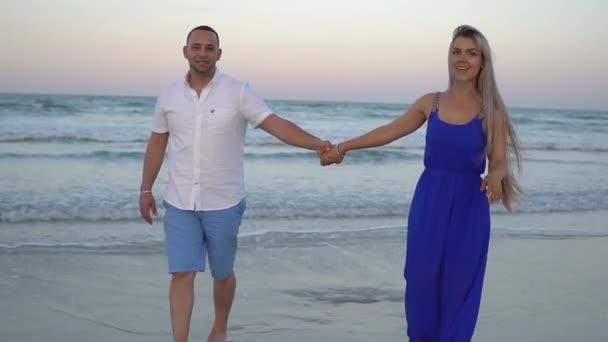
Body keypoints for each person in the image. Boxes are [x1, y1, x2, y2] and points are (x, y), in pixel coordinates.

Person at [320, 25, 522, 341]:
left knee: (458, 287)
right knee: (421, 281)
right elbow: (389, 131)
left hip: (468, 209)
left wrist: (495, 177)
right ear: (449, 57)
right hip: (429, 204)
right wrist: (344, 146)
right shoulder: (431, 103)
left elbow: (498, 162)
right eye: (456, 51)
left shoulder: (491, 111)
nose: (462, 59)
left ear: (482, 61)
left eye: (471, 53)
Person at [138, 25, 330, 342]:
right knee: (182, 273)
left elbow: (275, 124)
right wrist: (146, 189)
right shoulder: (168, 94)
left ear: (218, 53)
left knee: (222, 273)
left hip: (224, 202)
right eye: (196, 47)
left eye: (209, 47)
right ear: (184, 50)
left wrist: (317, 145)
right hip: (179, 201)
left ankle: (220, 327)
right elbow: (158, 142)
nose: (202, 53)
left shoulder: (238, 91)